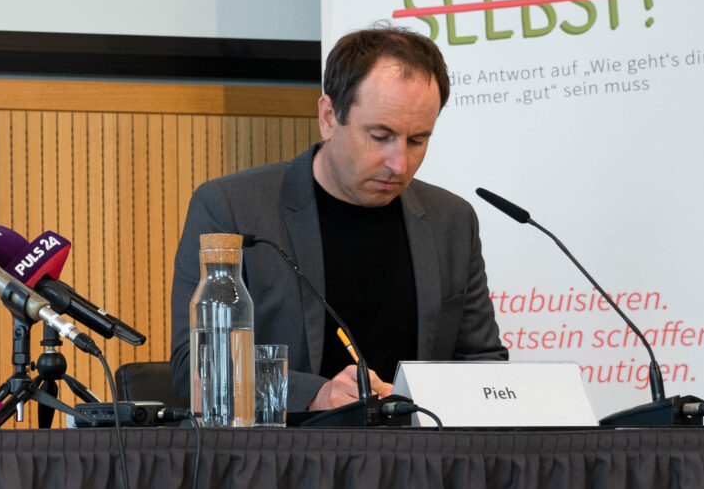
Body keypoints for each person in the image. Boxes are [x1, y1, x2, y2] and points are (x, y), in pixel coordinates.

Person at [166, 26, 504, 413]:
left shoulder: (452, 220)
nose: (399, 164)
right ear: (329, 117)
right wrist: (316, 395)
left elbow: (483, 364)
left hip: (418, 448)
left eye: (417, 140)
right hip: (287, 449)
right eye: (380, 136)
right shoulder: (232, 208)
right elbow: (198, 369)